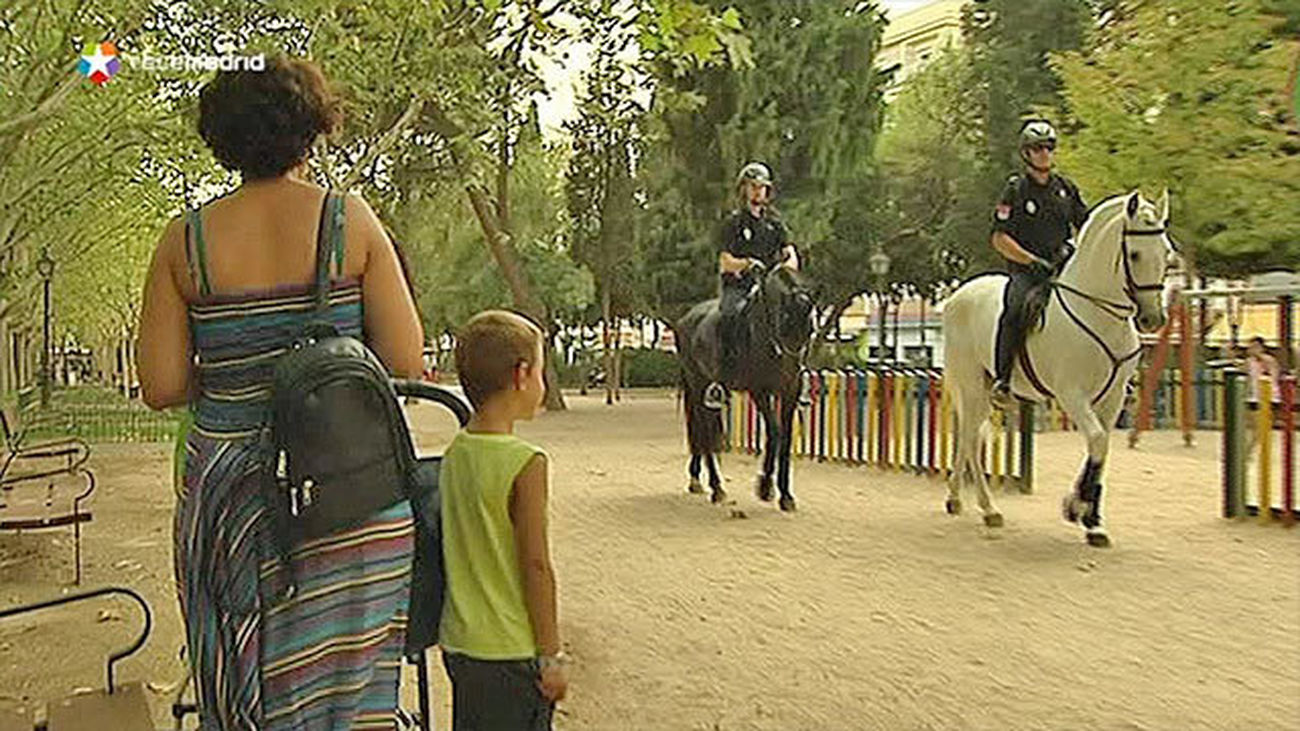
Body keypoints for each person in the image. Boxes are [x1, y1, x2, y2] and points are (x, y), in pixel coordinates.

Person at [138, 56, 424, 729]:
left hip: (236, 498)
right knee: (348, 693)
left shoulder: (185, 242)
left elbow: (162, 385)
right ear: (311, 130)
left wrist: (242, 369)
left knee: (250, 676)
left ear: (222, 138)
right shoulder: (349, 222)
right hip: (346, 489)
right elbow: (406, 359)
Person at [440, 310, 567, 730]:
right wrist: (551, 654)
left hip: (461, 644)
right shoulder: (524, 463)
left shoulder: (456, 453)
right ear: (522, 375)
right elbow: (535, 564)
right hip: (510, 649)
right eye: (541, 373)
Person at [989, 119, 1089, 406]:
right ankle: (1003, 379)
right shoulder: (1016, 190)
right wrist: (1030, 261)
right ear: (1026, 154)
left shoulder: (1066, 189)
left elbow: (1086, 225)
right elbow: (999, 238)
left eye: (1048, 147)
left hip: (1064, 269)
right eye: (1037, 148)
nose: (1044, 153)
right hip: (1028, 272)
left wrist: (1076, 249)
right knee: (1014, 309)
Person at [704, 161, 800, 410]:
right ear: (743, 190)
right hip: (739, 287)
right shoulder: (733, 223)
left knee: (798, 317)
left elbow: (791, 254)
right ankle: (720, 383)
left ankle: (797, 378)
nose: (758, 192)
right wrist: (746, 263)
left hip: (770, 290)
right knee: (728, 317)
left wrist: (786, 266)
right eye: (753, 187)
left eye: (762, 187)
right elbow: (725, 263)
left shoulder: (776, 224)